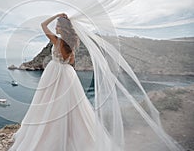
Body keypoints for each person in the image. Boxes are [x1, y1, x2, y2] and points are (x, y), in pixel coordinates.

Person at [9, 13, 119, 151]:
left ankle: (53, 134)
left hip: (55, 72)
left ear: (62, 28)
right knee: (70, 105)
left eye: (57, 25)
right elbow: (71, 62)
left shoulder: (58, 41)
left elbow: (43, 25)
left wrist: (56, 15)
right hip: (68, 73)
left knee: (50, 103)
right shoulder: (72, 43)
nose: (55, 27)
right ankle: (72, 134)